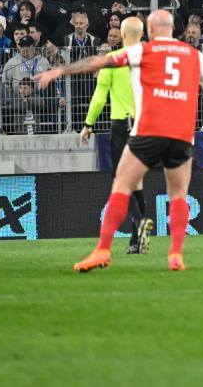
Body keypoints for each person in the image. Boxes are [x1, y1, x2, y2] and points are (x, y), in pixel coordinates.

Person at [36, 9, 203, 272]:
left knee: (122, 185)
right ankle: (175, 255)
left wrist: (60, 71)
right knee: (178, 196)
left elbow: (100, 61)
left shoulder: (144, 51)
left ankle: (102, 250)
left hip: (148, 131)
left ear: (149, 31)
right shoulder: (193, 54)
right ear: (173, 29)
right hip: (182, 135)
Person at [80, 15, 152, 255]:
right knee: (137, 184)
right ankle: (136, 241)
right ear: (141, 35)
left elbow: (100, 95)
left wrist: (89, 123)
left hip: (123, 126)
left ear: (122, 35)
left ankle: (140, 228)